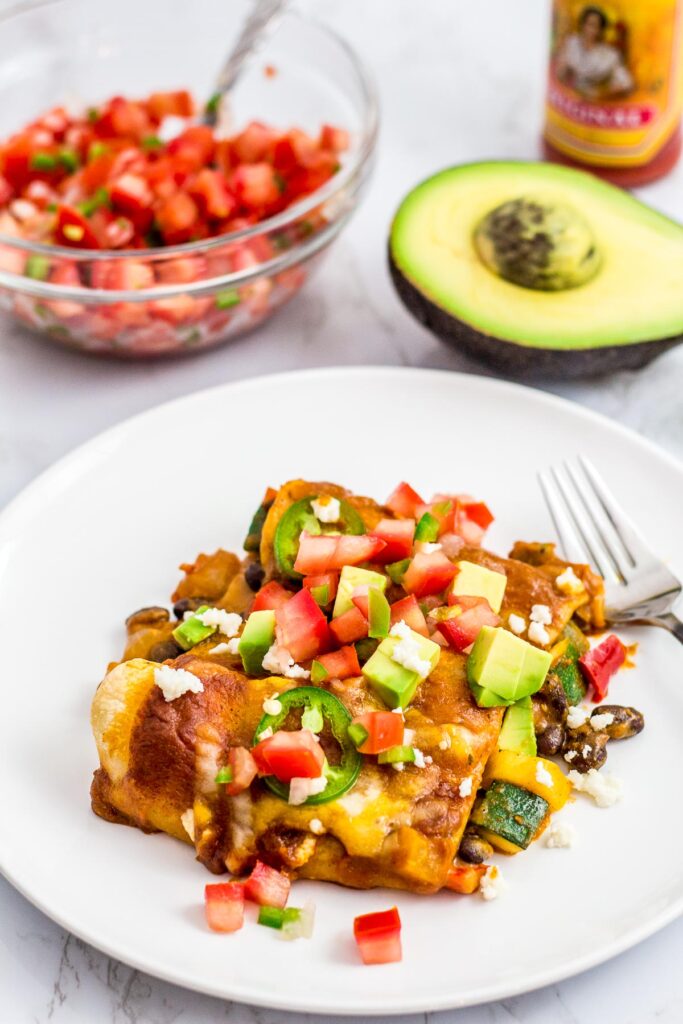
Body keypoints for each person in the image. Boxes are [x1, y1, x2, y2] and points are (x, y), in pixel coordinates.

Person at [556, 6, 634, 98]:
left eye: (596, 26)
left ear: (601, 30)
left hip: (595, 103)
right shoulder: (572, 43)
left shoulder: (609, 55)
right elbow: (560, 74)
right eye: (588, 24)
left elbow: (627, 84)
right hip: (571, 98)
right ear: (582, 25)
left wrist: (601, 94)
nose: (591, 30)